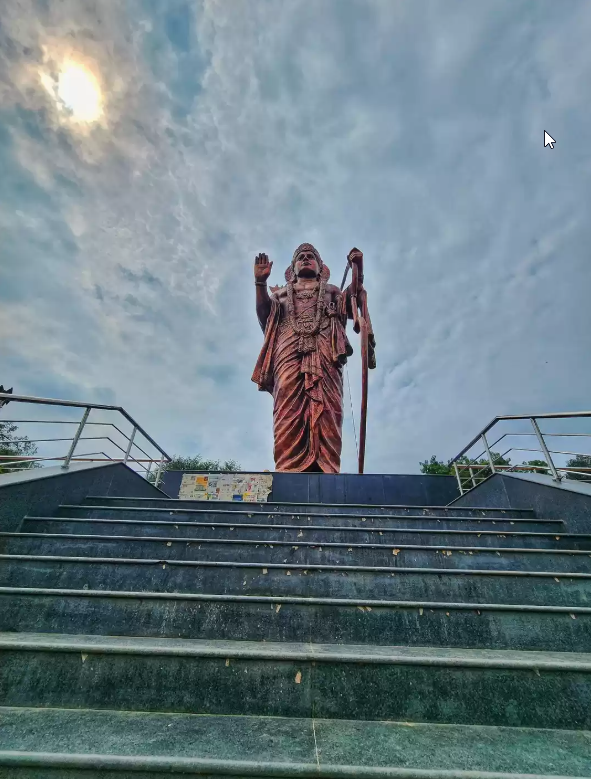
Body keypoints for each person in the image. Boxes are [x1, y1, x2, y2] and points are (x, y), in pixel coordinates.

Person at [252, 243, 372, 473]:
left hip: (325, 350)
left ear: (320, 267)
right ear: (293, 269)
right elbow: (265, 316)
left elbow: (353, 298)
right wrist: (260, 283)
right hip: (288, 350)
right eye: (301, 257)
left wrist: (358, 267)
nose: (306, 259)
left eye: (311, 257)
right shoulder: (280, 295)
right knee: (287, 405)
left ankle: (327, 466)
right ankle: (287, 468)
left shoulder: (332, 291)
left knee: (329, 408)